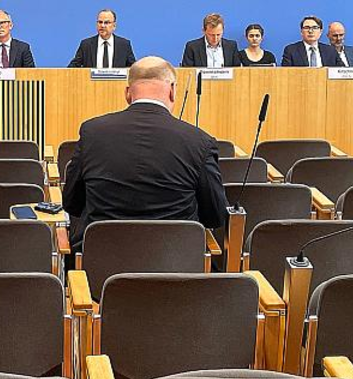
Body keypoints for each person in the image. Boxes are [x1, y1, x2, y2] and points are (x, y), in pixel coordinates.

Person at [62, 56, 229, 249]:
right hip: (177, 260)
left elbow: (72, 203)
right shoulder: (200, 141)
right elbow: (215, 216)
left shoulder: (92, 132)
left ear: (127, 93)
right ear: (172, 90)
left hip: (101, 258)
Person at [69, 9, 136, 68]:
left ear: (114, 26)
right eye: (100, 22)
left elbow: (133, 69)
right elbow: (72, 68)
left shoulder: (124, 45)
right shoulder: (86, 45)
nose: (102, 25)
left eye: (106, 22)